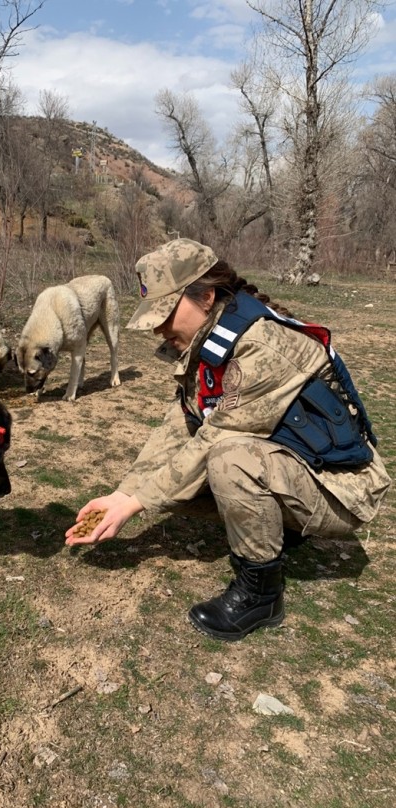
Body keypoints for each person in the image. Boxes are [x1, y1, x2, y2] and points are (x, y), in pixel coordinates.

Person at [65, 238, 391, 642]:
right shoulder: (211, 338)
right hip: (299, 466)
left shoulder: (262, 347)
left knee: (229, 459)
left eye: (166, 313)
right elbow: (181, 424)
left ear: (205, 296)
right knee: (179, 479)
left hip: (342, 490)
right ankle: (280, 529)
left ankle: (261, 594)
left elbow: (214, 439)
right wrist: (125, 493)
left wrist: (134, 504)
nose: (159, 327)